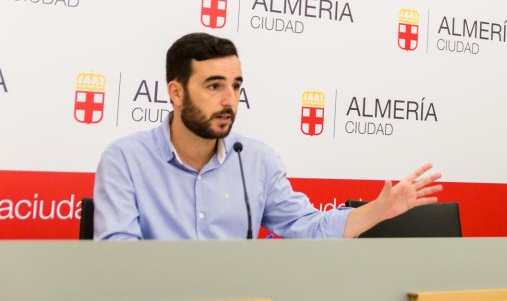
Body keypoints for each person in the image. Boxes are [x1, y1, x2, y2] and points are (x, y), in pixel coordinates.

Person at [93, 32, 441, 240]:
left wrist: (378, 210)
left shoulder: (254, 160)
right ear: (176, 92)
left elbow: (305, 226)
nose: (229, 99)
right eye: (214, 86)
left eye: (236, 86)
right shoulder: (126, 159)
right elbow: (119, 261)